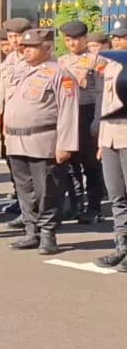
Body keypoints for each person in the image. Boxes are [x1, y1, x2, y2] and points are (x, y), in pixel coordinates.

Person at [2, 28, 78, 255]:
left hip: (43, 141)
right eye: (24, 47)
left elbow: (69, 112)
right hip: (16, 140)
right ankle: (30, 231)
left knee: (47, 191)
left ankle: (48, 235)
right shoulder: (20, 71)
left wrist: (65, 144)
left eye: (32, 47)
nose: (26, 51)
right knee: (24, 190)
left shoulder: (60, 74)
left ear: (48, 48)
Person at [57, 20, 107, 223]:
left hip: (87, 113)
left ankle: (94, 208)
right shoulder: (60, 61)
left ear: (85, 39)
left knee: (91, 165)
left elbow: (101, 93)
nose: (72, 44)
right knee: (70, 163)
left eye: (76, 39)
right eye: (68, 40)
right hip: (68, 115)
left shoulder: (97, 61)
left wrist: (98, 121)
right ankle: (76, 204)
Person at [95, 22, 127, 269]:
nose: (117, 42)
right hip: (111, 139)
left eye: (122, 37)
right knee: (116, 196)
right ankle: (121, 247)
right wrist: (101, 141)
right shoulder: (111, 66)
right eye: (115, 38)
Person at [0, 17, 32, 216]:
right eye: (11, 37)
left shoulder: (35, 57)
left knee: (33, 169)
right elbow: (3, 90)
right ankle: (22, 204)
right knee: (15, 165)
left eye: (18, 35)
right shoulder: (9, 60)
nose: (15, 41)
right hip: (11, 120)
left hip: (31, 122)